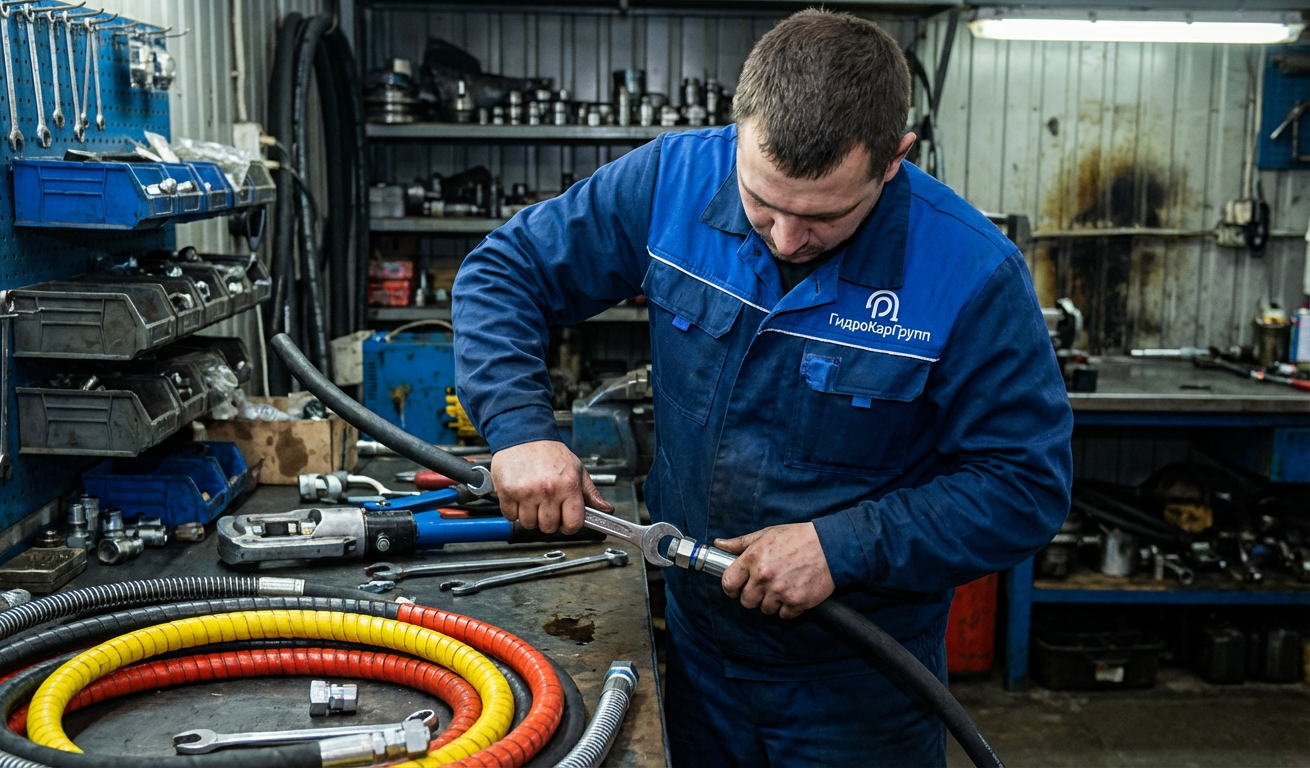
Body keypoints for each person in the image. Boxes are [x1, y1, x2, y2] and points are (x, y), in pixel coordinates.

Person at [452, 9, 1072, 767]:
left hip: (859, 686)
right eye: (761, 202)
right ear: (739, 129)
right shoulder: (673, 180)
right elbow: (504, 273)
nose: (784, 238)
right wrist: (521, 427)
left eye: (823, 216)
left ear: (895, 159)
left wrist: (841, 547)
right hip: (696, 653)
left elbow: (1023, 486)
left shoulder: (971, 275)